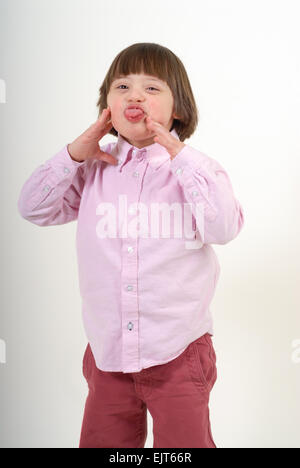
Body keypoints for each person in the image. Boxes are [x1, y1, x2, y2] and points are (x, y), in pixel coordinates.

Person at [17, 42, 245, 448]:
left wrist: (179, 155)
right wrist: (74, 154)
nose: (135, 95)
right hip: (109, 353)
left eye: (152, 89)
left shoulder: (197, 171)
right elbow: (33, 208)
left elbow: (223, 226)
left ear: (178, 109)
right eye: (122, 86)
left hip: (178, 350)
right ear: (107, 107)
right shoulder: (92, 170)